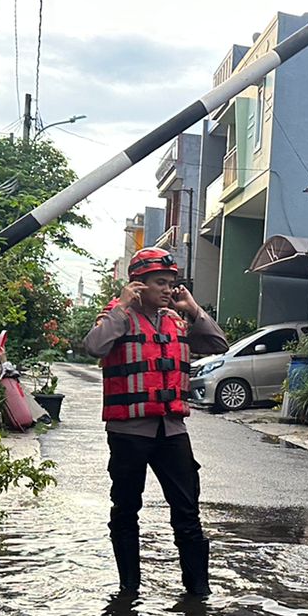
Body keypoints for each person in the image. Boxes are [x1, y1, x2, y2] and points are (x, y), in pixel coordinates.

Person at [81, 247, 228, 596]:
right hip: (128, 433)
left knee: (188, 512)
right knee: (126, 509)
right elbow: (94, 346)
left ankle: (198, 593)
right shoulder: (116, 316)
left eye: (171, 283)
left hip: (172, 430)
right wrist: (122, 305)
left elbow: (218, 343)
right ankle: (128, 590)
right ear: (138, 284)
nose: (167, 289)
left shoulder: (176, 320)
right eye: (160, 282)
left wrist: (193, 308)